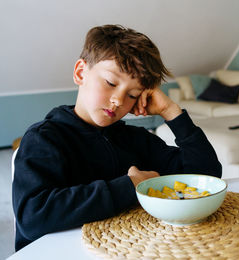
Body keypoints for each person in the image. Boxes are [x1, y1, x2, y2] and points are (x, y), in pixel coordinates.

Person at [12, 24, 222, 251]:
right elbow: (32, 217)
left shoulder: (136, 138)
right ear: (81, 73)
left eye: (132, 94)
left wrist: (171, 112)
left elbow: (206, 176)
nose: (118, 100)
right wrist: (130, 185)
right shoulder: (44, 139)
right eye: (111, 83)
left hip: (127, 249)